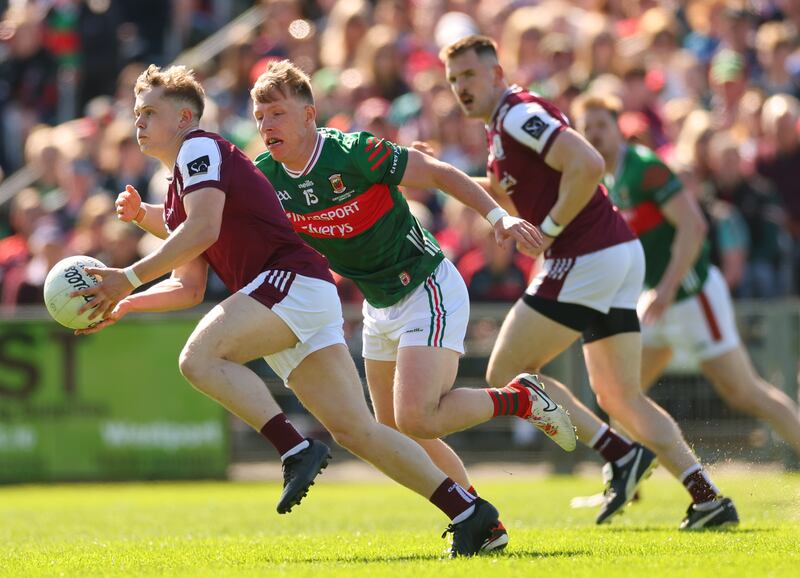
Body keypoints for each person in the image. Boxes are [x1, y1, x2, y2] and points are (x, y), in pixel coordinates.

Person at [70, 64, 507, 557]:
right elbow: (188, 286)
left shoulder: (198, 147)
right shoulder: (178, 193)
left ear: (186, 117)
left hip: (288, 283)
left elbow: (205, 229)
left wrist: (125, 276)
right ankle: (470, 513)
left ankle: (294, 447)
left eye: (150, 112)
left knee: (198, 358)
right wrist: (127, 303)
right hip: (293, 294)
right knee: (359, 430)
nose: (139, 123)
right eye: (135, 114)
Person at [249, 59, 576, 522]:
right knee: (394, 429)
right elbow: (209, 221)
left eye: (277, 113)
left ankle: (520, 398)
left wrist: (497, 218)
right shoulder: (266, 178)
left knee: (417, 417)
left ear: (309, 114)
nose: (266, 125)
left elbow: (440, 173)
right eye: (260, 117)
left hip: (426, 285)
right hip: (378, 304)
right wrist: (146, 216)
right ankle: (481, 517)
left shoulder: (355, 152)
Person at [441, 34, 739, 529]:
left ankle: (618, 452)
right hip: (614, 252)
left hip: (587, 253)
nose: (460, 88)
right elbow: (511, 195)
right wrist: (434, 174)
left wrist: (551, 229)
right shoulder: (502, 127)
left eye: (469, 75)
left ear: (496, 74)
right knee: (620, 396)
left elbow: (588, 164)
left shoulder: (514, 112)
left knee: (506, 371)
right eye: (454, 80)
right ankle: (707, 496)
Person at [572, 93, 800, 458]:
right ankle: (624, 484)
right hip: (658, 299)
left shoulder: (645, 167)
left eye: (602, 125)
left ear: (618, 128)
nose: (595, 134)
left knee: (745, 393)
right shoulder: (605, 181)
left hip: (692, 296)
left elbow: (693, 228)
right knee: (619, 396)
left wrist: (665, 288)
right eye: (588, 128)